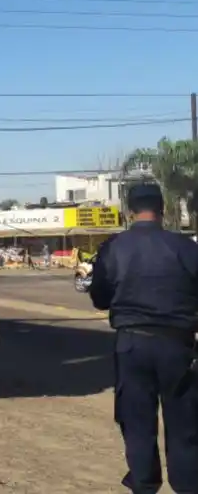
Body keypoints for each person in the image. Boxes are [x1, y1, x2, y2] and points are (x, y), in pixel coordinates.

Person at [90, 183, 198, 494]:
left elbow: (100, 298)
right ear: (163, 210)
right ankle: (188, 486)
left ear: (129, 211)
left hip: (132, 344)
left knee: (137, 422)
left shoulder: (113, 248)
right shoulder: (186, 248)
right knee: (184, 422)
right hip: (179, 345)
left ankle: (144, 485)